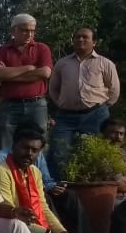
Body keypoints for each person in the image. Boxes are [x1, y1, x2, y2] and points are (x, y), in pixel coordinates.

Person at [0, 126, 101, 233]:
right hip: (15, 228)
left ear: (39, 153)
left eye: (34, 150)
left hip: (39, 228)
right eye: (25, 148)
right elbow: (8, 212)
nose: (29, 153)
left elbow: (43, 207)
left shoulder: (34, 171)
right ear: (13, 147)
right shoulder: (1, 170)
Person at [48, 28, 121, 176]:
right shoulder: (62, 63)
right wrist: (62, 103)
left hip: (95, 115)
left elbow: (114, 90)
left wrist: (103, 107)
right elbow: (53, 88)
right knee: (58, 152)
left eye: (85, 37)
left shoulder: (105, 63)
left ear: (94, 42)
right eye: (77, 37)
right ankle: (59, 188)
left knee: (95, 153)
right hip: (65, 117)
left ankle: (92, 187)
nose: (80, 40)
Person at [0, 13, 53, 151]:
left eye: (32, 30)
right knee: (5, 144)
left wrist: (10, 75)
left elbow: (45, 73)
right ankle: (6, 172)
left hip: (36, 104)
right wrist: (28, 68)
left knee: (39, 143)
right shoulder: (3, 51)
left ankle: (38, 172)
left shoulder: (42, 48)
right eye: (25, 30)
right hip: (10, 105)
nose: (29, 34)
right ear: (14, 30)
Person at [101, 117, 126, 196]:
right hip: (107, 196)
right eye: (113, 133)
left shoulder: (125, 154)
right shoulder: (98, 154)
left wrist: (120, 179)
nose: (118, 137)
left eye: (121, 134)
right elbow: (111, 180)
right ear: (103, 133)